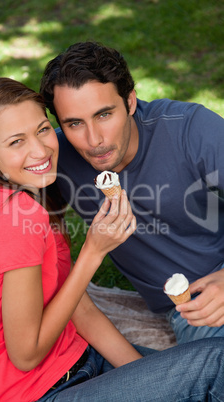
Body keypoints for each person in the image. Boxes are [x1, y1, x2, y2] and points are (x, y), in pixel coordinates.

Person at [0, 78, 224, 402]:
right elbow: (24, 355)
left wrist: (156, 381)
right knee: (216, 361)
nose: (40, 150)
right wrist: (93, 252)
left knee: (197, 375)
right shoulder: (16, 217)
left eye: (42, 130)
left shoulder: (29, 202)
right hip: (39, 393)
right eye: (16, 142)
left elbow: (78, 309)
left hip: (84, 364)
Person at [40, 41, 224, 345]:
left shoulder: (189, 129)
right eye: (74, 123)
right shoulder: (55, 157)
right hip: (190, 309)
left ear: (130, 102)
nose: (93, 140)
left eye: (104, 115)